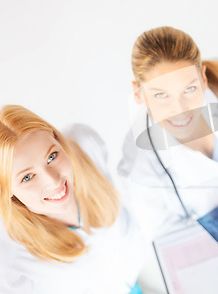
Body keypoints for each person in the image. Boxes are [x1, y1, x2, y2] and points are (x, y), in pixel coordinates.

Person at [118, 26, 218, 239]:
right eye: (161, 95)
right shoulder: (140, 169)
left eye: (189, 89)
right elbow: (170, 243)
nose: (180, 109)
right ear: (138, 94)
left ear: (203, 79)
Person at [0, 105, 145, 294]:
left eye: (52, 156)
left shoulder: (86, 146)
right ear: (7, 190)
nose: (54, 181)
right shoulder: (10, 257)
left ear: (59, 141)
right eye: (27, 177)